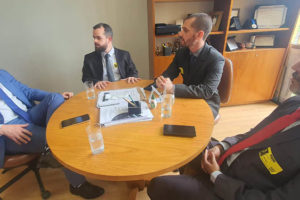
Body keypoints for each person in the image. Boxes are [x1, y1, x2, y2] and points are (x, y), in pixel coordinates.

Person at [147, 61, 300, 200]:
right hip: (225, 160)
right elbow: (252, 135)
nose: (294, 67)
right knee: (180, 137)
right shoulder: (293, 103)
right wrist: (222, 147)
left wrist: (216, 176)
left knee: (158, 185)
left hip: (232, 190)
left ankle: (194, 180)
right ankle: (191, 177)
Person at [0, 69, 104, 199]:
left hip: (28, 114)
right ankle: (77, 185)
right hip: (8, 131)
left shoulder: (2, 73)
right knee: (59, 139)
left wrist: (60, 95)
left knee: (56, 98)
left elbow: (27, 92)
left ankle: (49, 147)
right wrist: (3, 129)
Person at [155, 13, 225, 118]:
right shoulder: (182, 52)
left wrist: (173, 88)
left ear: (200, 35)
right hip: (187, 97)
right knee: (161, 113)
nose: (180, 33)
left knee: (185, 120)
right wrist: (161, 80)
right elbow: (169, 73)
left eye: (185, 30)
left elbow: (207, 91)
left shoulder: (216, 59)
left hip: (206, 102)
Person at [82, 23, 140, 89]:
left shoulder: (124, 55)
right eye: (94, 37)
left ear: (109, 39)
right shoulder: (89, 58)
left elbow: (133, 72)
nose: (95, 41)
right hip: (101, 91)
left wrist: (132, 77)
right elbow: (85, 78)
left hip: (123, 89)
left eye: (98, 38)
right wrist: (97, 82)